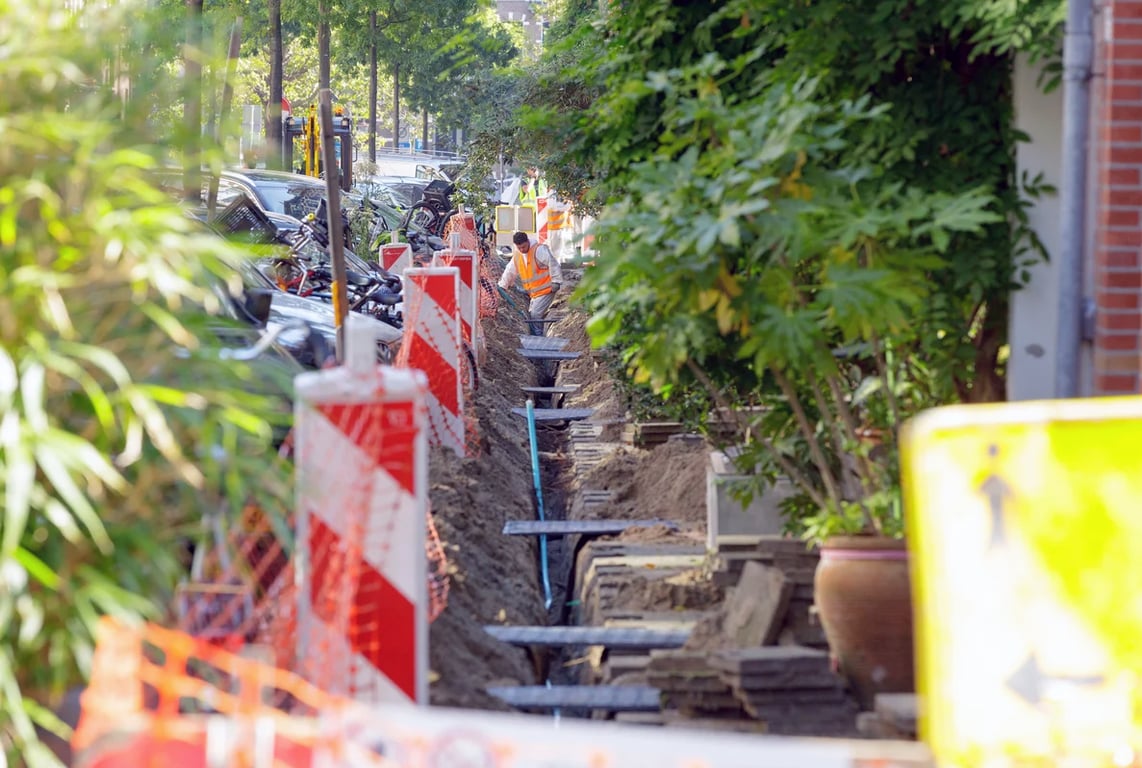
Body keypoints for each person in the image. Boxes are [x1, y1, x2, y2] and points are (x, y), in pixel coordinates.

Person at [499, 230, 563, 335]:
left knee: (536, 314)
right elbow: (510, 271)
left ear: (528, 241)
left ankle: (538, 336)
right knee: (534, 314)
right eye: (519, 248)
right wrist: (503, 285)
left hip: (547, 289)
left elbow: (553, 263)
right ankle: (538, 333)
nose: (522, 250)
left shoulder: (539, 250)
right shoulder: (518, 256)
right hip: (534, 293)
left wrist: (556, 281)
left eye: (524, 247)